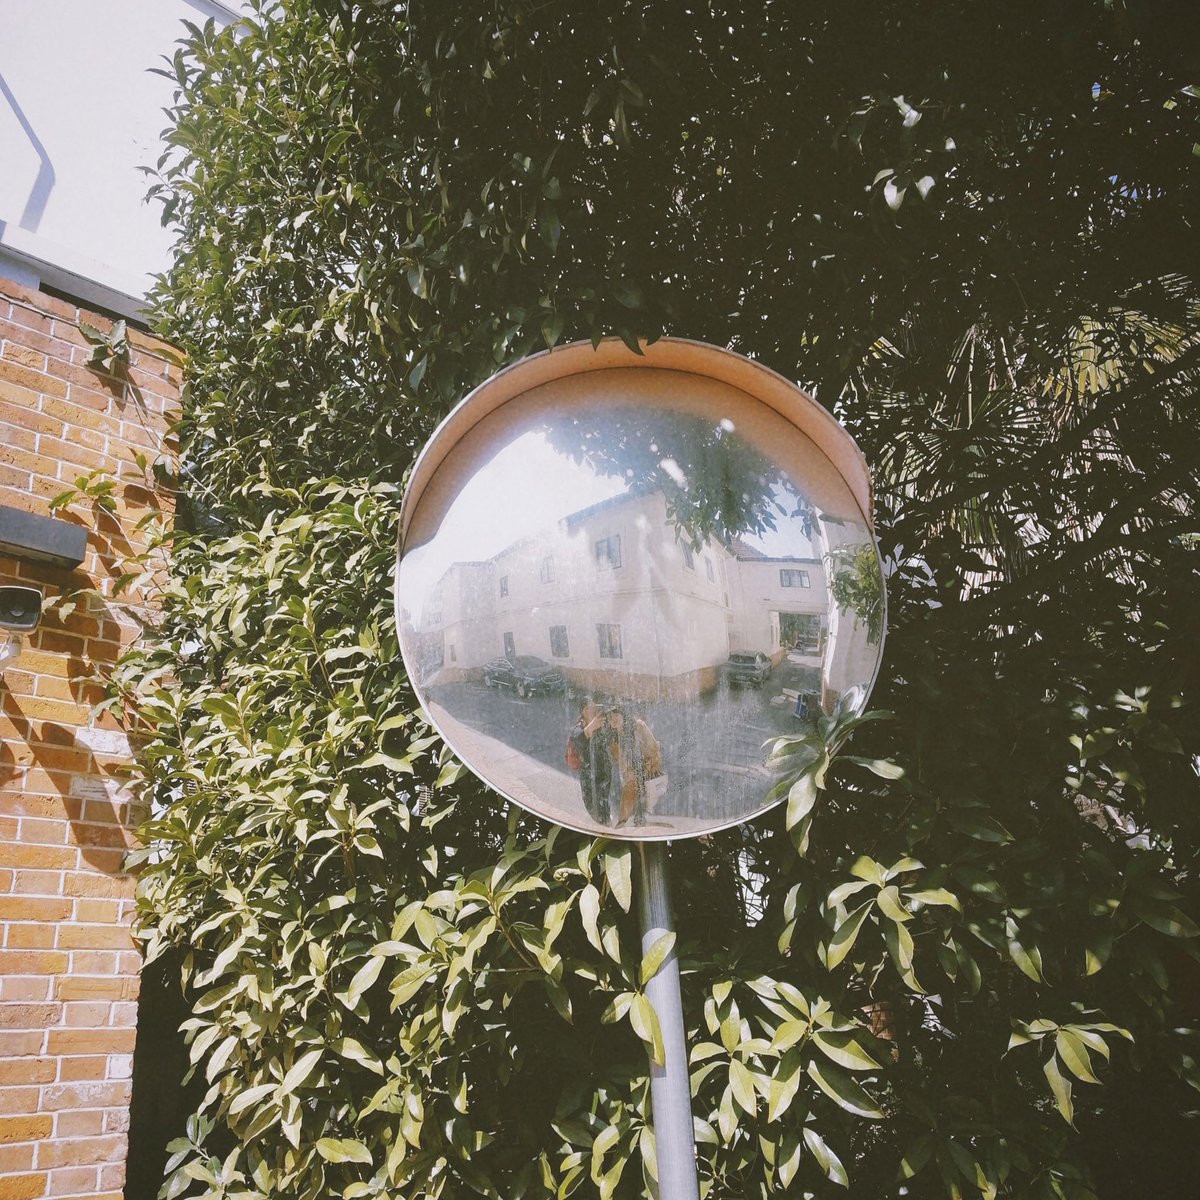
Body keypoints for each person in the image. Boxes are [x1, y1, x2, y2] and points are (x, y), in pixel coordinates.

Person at [608, 705, 662, 828]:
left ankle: (640, 819)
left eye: (616, 715)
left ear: (623, 715)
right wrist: (628, 772)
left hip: (648, 764)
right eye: (610, 717)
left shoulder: (638, 725)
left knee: (646, 795)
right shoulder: (613, 737)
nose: (613, 719)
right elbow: (621, 760)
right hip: (632, 769)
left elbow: (653, 747)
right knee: (630, 788)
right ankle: (623, 822)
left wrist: (650, 766)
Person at [569, 697, 614, 826]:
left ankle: (606, 823)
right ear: (583, 711)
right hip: (589, 775)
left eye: (594, 708)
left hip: (604, 771)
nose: (593, 710)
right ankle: (599, 825)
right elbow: (579, 739)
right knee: (591, 804)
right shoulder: (580, 727)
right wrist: (591, 727)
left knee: (603, 802)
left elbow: (611, 740)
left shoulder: (601, 724)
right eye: (589, 708)